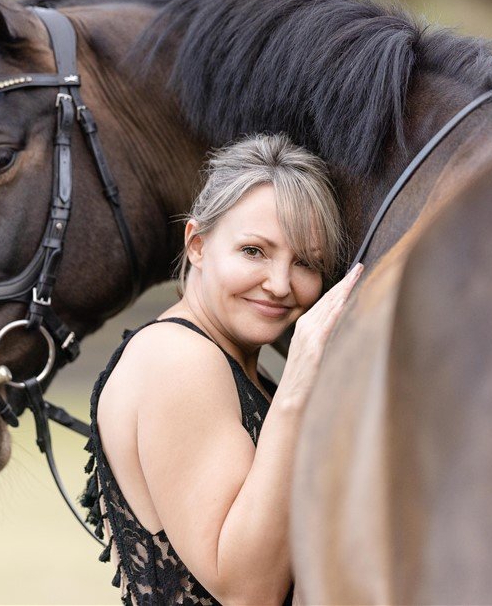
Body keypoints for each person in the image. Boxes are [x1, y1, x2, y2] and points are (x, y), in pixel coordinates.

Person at [81, 133, 363, 605]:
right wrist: (296, 390)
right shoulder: (179, 361)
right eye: (254, 251)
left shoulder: (233, 365)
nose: (278, 284)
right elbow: (248, 591)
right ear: (197, 244)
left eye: (305, 262)